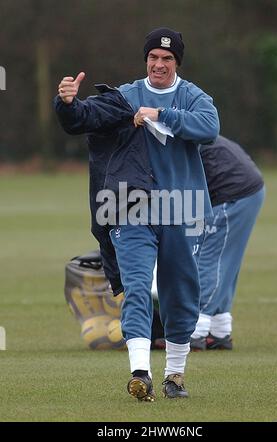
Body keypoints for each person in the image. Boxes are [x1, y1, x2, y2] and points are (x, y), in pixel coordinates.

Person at [54, 27, 219, 401]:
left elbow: (210, 127)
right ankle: (140, 373)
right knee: (137, 287)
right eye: (153, 58)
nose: (158, 64)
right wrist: (67, 104)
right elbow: (84, 118)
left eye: (167, 59)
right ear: (145, 59)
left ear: (177, 63)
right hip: (130, 207)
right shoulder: (126, 96)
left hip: (183, 208)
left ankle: (174, 375)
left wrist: (162, 114)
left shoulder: (193, 96)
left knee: (180, 293)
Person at [152, 135, 265, 351]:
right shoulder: (190, 127)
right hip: (247, 190)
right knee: (227, 262)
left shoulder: (172, 138)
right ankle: (219, 330)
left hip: (232, 195)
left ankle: (195, 330)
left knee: (209, 260)